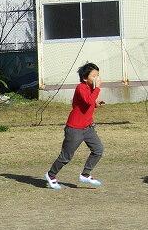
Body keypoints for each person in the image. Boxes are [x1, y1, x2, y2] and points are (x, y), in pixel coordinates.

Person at [45, 62, 105, 190]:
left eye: (98, 75)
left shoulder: (91, 88)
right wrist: (97, 89)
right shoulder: (81, 87)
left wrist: (96, 104)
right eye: (94, 76)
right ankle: (51, 175)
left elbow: (87, 103)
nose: (97, 78)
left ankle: (85, 174)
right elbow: (87, 101)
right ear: (85, 78)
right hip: (74, 129)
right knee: (66, 156)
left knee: (98, 150)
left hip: (88, 128)